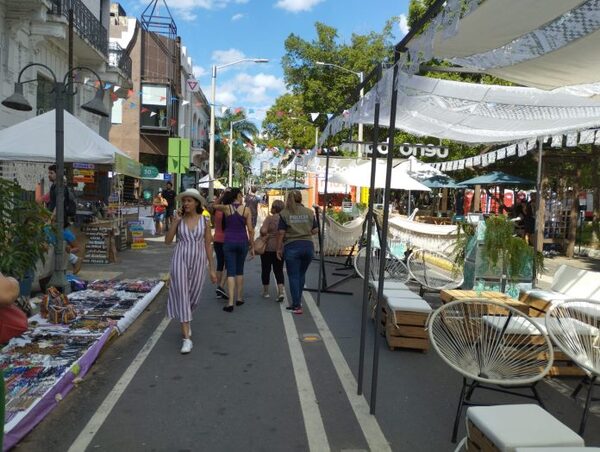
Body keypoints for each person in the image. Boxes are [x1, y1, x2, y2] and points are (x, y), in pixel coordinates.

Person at [165, 188, 217, 354]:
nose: (186, 203)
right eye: (184, 200)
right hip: (180, 258)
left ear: (196, 203)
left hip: (198, 259)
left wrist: (212, 269)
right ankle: (186, 338)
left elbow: (208, 245)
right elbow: (167, 241)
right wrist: (175, 221)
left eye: (189, 200)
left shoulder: (204, 221)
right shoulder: (178, 220)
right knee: (182, 295)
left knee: (193, 296)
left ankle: (186, 319)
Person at [276, 190, 318, 315]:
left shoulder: (284, 213)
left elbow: (281, 233)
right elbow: (315, 229)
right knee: (301, 274)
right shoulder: (309, 212)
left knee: (293, 276)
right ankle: (298, 301)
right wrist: (305, 233)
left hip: (292, 246)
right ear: (300, 198)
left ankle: (296, 305)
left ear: (288, 199)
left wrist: (279, 249)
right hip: (308, 246)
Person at [213, 188, 255, 312]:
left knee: (230, 271)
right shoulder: (246, 210)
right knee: (240, 270)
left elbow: (214, 205)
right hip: (242, 242)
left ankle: (230, 302)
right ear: (237, 195)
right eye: (241, 195)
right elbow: (251, 230)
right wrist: (252, 246)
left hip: (229, 241)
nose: (242, 197)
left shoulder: (226, 208)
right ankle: (240, 298)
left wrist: (222, 195)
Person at [259, 200, 285, 302]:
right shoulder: (284, 219)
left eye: (272, 206)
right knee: (278, 270)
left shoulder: (269, 218)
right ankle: (281, 292)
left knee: (266, 269)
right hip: (280, 248)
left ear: (274, 208)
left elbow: (263, 231)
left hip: (268, 248)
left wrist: (267, 232)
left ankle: (266, 292)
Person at [208, 191, 228, 299]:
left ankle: (218, 288)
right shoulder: (229, 211)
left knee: (220, 264)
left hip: (217, 239)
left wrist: (222, 195)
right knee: (228, 265)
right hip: (228, 240)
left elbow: (212, 205)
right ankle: (221, 286)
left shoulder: (217, 211)